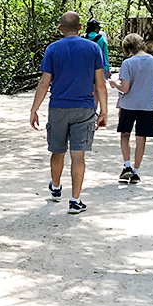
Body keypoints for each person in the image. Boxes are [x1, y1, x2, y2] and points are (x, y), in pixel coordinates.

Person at [30, 11, 109, 214]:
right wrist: (104, 111)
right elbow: (100, 83)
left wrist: (34, 109)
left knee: (57, 151)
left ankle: (56, 188)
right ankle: (75, 200)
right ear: (80, 28)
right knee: (78, 155)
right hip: (84, 108)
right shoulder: (93, 48)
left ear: (60, 28)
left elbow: (44, 82)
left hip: (58, 107)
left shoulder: (53, 49)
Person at [110, 33, 153, 184]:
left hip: (128, 105)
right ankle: (136, 171)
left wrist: (114, 83)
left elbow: (125, 88)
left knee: (125, 134)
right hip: (147, 105)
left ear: (127, 48)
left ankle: (126, 166)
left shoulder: (128, 63)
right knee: (141, 137)